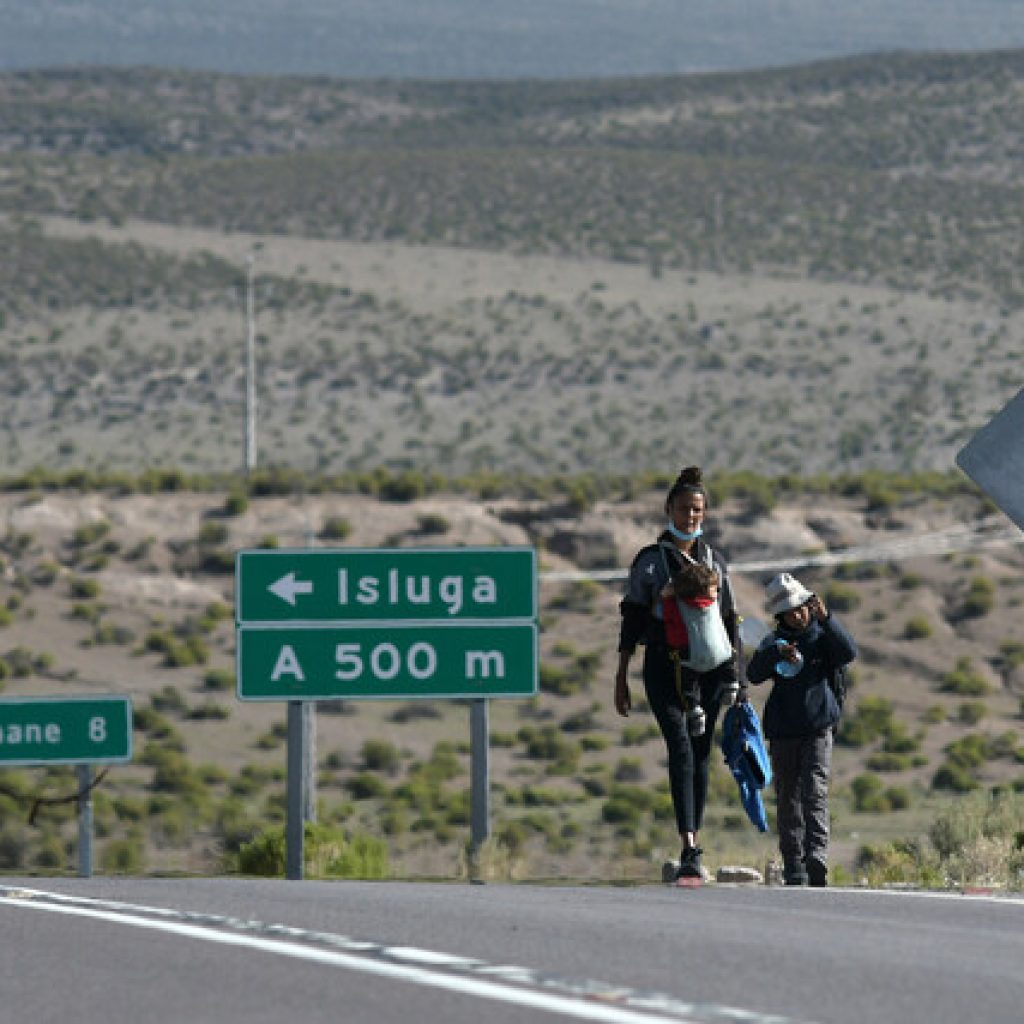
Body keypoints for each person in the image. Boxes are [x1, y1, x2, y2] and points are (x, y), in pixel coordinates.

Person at [614, 465, 741, 882]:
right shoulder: (650, 564)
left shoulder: (714, 561)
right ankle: (689, 846)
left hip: (708, 671)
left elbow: (730, 621)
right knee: (681, 748)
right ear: (669, 508)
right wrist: (621, 673)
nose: (691, 516)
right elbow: (632, 616)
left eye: (698, 510)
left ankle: (695, 837)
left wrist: (734, 678)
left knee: (701, 755)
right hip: (663, 669)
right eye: (685, 508)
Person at [746, 572, 857, 887]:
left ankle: (817, 855)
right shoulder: (773, 642)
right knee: (788, 798)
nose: (798, 615)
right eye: (790, 611)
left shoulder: (823, 637)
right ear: (780, 616)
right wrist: (775, 653)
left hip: (818, 727)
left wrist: (829, 619)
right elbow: (754, 675)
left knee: (815, 791)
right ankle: (794, 863)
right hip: (783, 731)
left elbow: (848, 652)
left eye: (802, 608)